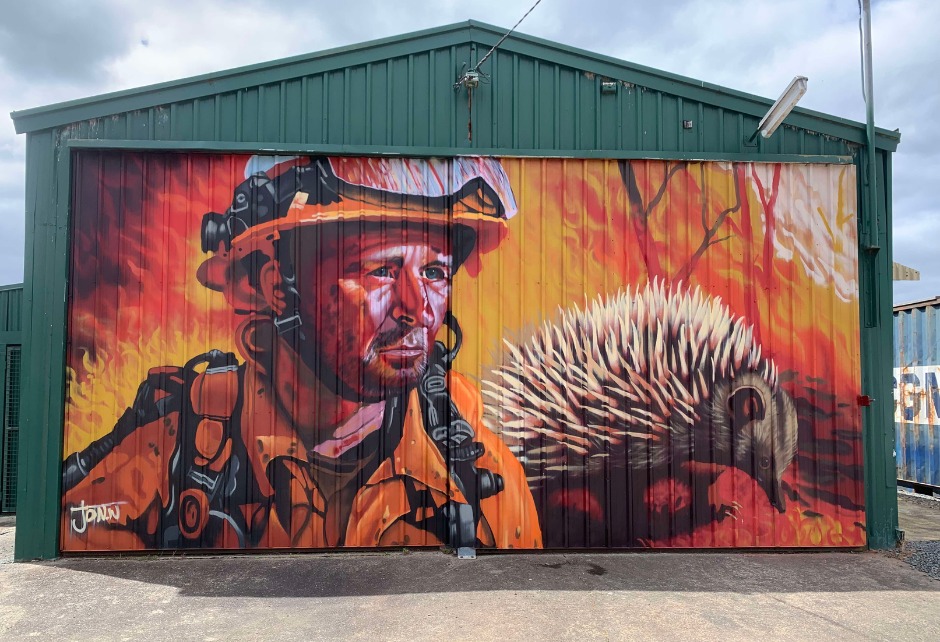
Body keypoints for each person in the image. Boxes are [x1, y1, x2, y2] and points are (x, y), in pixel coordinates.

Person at [61, 155, 543, 552]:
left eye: (435, 274)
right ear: (278, 288)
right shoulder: (181, 446)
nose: (416, 309)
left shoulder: (475, 469)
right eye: (380, 270)